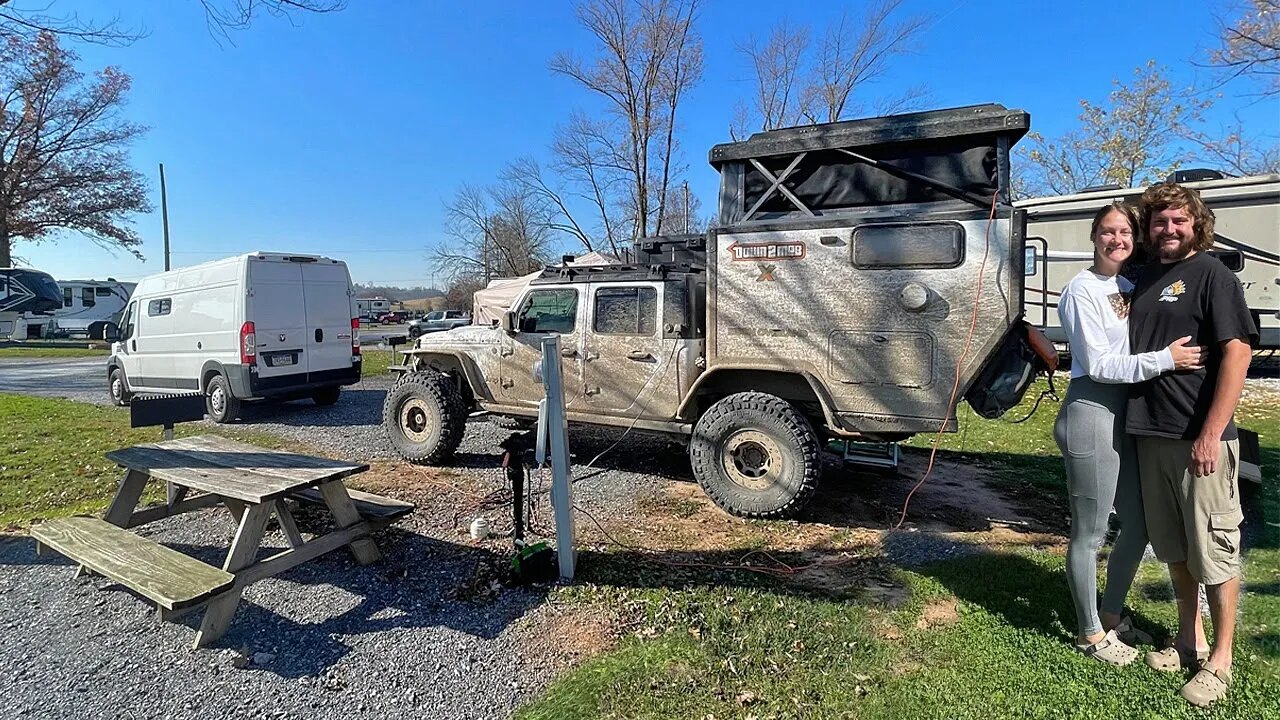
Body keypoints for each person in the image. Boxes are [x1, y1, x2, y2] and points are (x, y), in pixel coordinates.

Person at [1052, 201, 1205, 665]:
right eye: (1108, 231)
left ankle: (1112, 614)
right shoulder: (1082, 290)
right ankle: (1089, 634)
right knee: (1090, 532)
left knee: (1138, 524)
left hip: (1128, 415)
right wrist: (1166, 359)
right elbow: (1097, 365)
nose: (1117, 239)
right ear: (1093, 236)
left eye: (1125, 232)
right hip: (1092, 411)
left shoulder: (1129, 285)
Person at [1127, 182, 1257, 707]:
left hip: (1198, 438)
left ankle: (1220, 661)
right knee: (1176, 549)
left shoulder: (1212, 275)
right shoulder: (1146, 277)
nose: (1169, 229)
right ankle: (1188, 640)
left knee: (1215, 551)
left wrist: (1210, 434)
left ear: (1196, 224)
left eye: (1179, 220)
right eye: (1160, 221)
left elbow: (1238, 353)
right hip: (1152, 434)